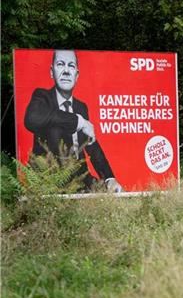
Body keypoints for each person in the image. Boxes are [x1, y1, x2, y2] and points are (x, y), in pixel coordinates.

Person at [23, 49, 122, 192]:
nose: (66, 71)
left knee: (114, 196)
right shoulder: (42, 97)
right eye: (60, 64)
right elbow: (31, 118)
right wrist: (79, 122)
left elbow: (92, 146)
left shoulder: (81, 107)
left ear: (76, 75)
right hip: (49, 180)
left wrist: (109, 178)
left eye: (71, 66)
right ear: (52, 72)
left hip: (80, 179)